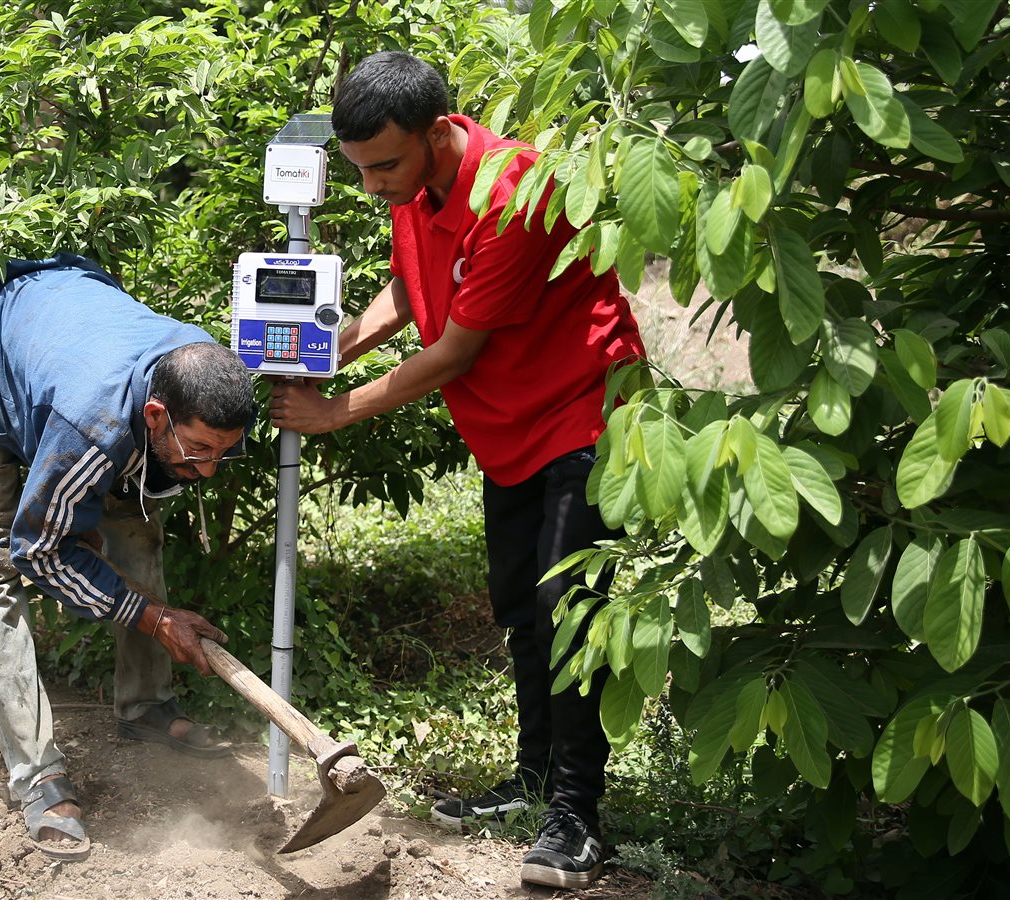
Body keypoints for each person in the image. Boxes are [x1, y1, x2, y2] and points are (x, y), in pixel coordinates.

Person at [268, 52, 645, 889]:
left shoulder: (512, 192)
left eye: (385, 167)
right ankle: (534, 777)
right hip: (507, 426)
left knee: (566, 606)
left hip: (582, 410)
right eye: (361, 170)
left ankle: (578, 817)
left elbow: (454, 350)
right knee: (520, 603)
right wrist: (329, 348)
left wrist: (337, 409)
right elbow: (409, 289)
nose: (371, 188)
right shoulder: (413, 184)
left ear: (438, 132)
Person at [0, 253, 256, 860]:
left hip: (66, 345)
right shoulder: (93, 426)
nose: (207, 470)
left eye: (222, 453)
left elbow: (141, 467)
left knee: (136, 531)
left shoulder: (199, 375)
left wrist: (98, 534)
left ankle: (145, 707)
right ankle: (36, 775)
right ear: (156, 415)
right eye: (198, 452)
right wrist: (157, 617)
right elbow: (36, 551)